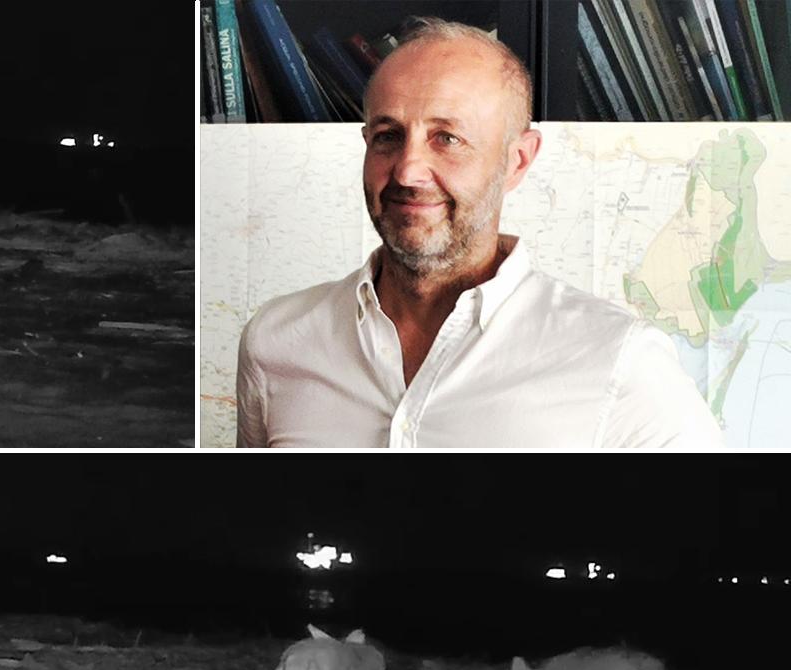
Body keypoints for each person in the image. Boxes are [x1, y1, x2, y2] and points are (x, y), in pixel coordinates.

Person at [235, 18, 723, 448]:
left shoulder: (620, 361)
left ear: (517, 161)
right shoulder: (276, 342)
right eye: (387, 135)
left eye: (447, 138)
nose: (408, 170)